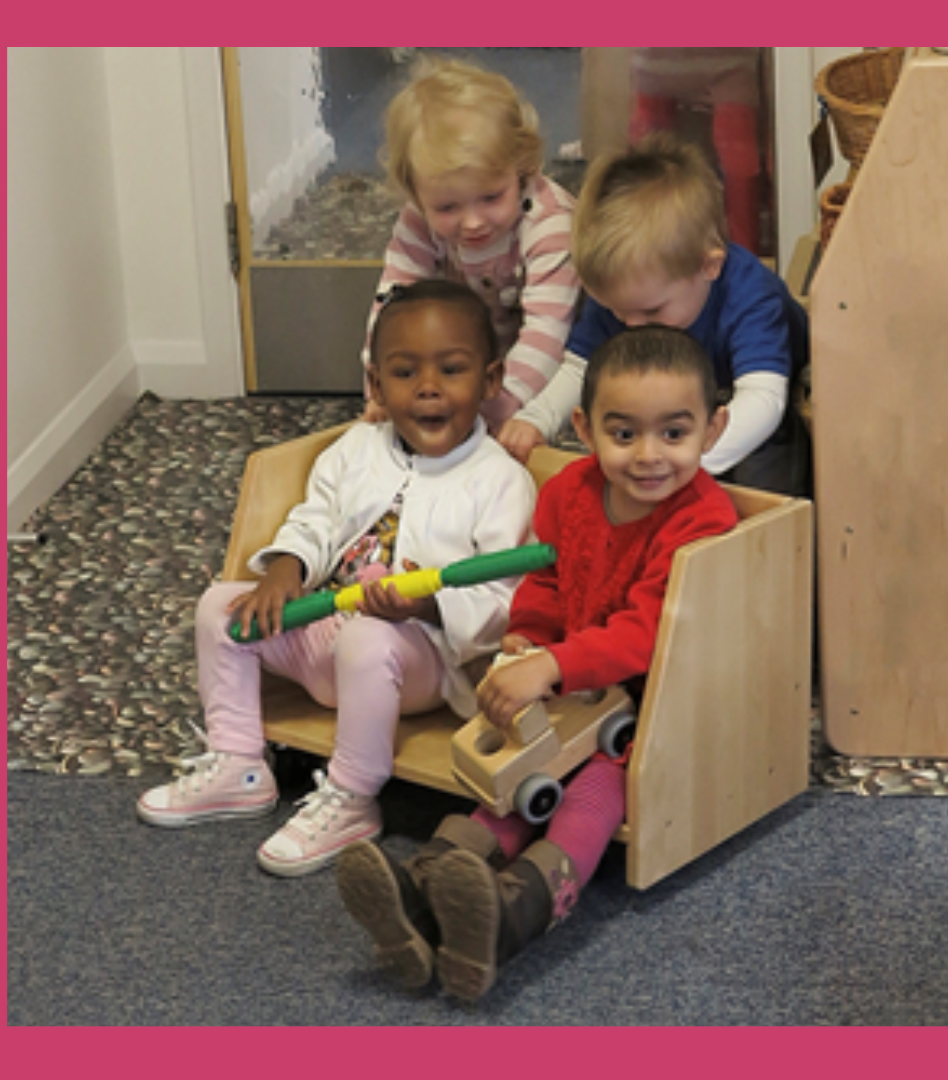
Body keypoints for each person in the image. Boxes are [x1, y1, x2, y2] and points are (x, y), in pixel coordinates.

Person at [337, 324, 739, 1001]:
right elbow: (547, 584)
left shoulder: (701, 519)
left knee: (595, 791)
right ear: (583, 427)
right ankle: (432, 884)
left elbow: (651, 631)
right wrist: (527, 637)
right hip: (570, 689)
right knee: (517, 780)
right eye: (623, 434)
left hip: (651, 712)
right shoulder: (569, 495)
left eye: (674, 433)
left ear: (713, 426)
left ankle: (515, 911)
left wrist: (553, 663)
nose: (649, 457)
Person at [137, 281, 536, 878]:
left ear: (490, 378)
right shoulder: (356, 448)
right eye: (405, 372)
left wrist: (425, 608)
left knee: (367, 639)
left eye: (451, 369)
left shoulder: (500, 481)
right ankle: (239, 760)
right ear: (375, 385)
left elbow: (504, 599)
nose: (428, 387)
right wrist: (284, 570)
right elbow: (315, 520)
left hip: (415, 659)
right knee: (220, 608)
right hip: (327, 633)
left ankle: (353, 796)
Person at [498, 134, 811, 498]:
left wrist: (691, 463)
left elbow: (763, 398)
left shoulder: (750, 294)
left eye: (651, 311)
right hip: (677, 405)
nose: (631, 326)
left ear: (708, 266)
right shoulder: (631, 292)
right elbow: (580, 366)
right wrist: (537, 418)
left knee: (764, 482)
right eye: (617, 311)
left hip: (758, 399)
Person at [359, 57, 580, 437]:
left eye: (492, 197)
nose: (473, 222)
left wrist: (494, 409)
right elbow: (393, 306)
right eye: (447, 207)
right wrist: (381, 389)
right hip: (473, 364)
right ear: (416, 193)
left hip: (554, 366)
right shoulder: (417, 221)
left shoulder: (549, 222)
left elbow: (547, 331)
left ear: (521, 166)